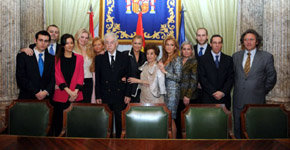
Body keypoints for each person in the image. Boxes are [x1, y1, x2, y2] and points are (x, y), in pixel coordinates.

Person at [232, 29, 277, 138]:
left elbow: (272, 77)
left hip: (256, 100)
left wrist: (261, 90)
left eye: (251, 39)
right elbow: (232, 76)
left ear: (257, 42)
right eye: (245, 40)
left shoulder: (266, 57)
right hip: (238, 100)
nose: (248, 42)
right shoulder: (236, 56)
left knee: (255, 130)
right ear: (243, 42)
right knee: (238, 129)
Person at [95, 32, 131, 138]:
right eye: (107, 43)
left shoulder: (124, 57)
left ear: (116, 43)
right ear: (104, 44)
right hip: (105, 95)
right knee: (107, 122)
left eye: (111, 42)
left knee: (120, 121)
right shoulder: (99, 59)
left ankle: (119, 141)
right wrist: (98, 96)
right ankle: (107, 142)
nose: (109, 45)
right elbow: (98, 79)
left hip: (120, 95)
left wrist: (128, 94)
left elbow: (128, 77)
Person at [52, 34, 84, 136]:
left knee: (75, 123)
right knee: (58, 123)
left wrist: (75, 92)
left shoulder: (79, 58)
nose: (69, 45)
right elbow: (57, 76)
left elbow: (80, 75)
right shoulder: (56, 58)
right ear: (63, 45)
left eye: (71, 43)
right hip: (61, 94)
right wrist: (69, 91)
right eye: (67, 43)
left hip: (76, 95)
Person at [198, 35, 234, 110]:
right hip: (208, 98)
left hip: (224, 98)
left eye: (219, 43)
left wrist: (222, 92)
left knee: (224, 121)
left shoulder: (229, 59)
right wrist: (213, 92)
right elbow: (202, 78)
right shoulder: (202, 59)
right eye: (214, 43)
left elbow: (231, 78)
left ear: (222, 44)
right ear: (210, 44)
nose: (217, 45)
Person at [16, 30, 55, 100]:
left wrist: (46, 91)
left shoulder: (52, 58)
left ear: (48, 43)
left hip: (46, 98)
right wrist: (36, 92)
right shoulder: (23, 56)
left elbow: (53, 78)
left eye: (46, 41)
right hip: (27, 97)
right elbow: (20, 77)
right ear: (35, 40)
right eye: (40, 40)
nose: (43, 43)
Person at [158, 35, 182, 139]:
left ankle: (173, 142)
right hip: (164, 91)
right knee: (166, 117)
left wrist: (164, 71)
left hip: (173, 92)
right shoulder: (164, 58)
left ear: (175, 47)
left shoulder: (177, 59)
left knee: (171, 117)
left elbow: (178, 77)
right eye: (167, 45)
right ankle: (168, 141)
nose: (169, 47)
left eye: (171, 45)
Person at [176, 41, 198, 138]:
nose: (186, 51)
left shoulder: (194, 62)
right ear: (181, 50)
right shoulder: (178, 60)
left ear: (191, 51)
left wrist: (187, 96)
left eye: (188, 49)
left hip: (188, 96)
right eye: (184, 49)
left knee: (188, 121)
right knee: (178, 120)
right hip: (177, 95)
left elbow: (194, 80)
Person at [123, 35, 147, 103]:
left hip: (141, 89)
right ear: (132, 43)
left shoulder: (145, 56)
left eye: (139, 43)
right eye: (135, 43)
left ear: (142, 44)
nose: (137, 45)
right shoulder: (125, 54)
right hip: (127, 89)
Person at [74, 29, 94, 103]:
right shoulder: (72, 49)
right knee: (75, 104)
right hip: (75, 81)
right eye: (82, 37)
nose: (84, 40)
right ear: (77, 37)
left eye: (86, 38)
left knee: (86, 103)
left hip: (88, 80)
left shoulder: (90, 50)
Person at [193, 27, 212, 102]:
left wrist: (203, 83)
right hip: (194, 90)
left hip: (209, 90)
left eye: (203, 35)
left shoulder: (213, 49)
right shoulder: (191, 50)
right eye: (199, 35)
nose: (201, 38)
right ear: (196, 37)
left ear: (207, 36)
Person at [90, 37, 105, 103]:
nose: (97, 47)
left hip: (101, 84)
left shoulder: (106, 56)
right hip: (93, 83)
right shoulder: (92, 56)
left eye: (99, 44)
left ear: (103, 46)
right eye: (95, 45)